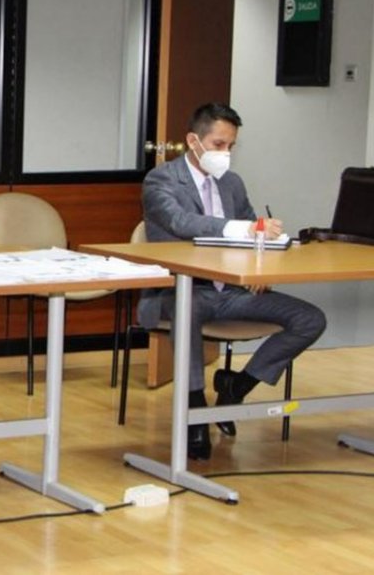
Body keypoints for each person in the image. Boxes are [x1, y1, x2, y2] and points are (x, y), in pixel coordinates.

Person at [139, 102, 326, 461]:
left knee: (310, 319)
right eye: (218, 145)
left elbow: (250, 233)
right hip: (178, 291)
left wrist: (261, 259)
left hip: (233, 291)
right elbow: (182, 223)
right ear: (193, 141)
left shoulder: (232, 183)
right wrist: (244, 228)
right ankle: (193, 412)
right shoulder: (161, 180)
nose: (225, 153)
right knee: (187, 307)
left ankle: (236, 386)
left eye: (231, 146)